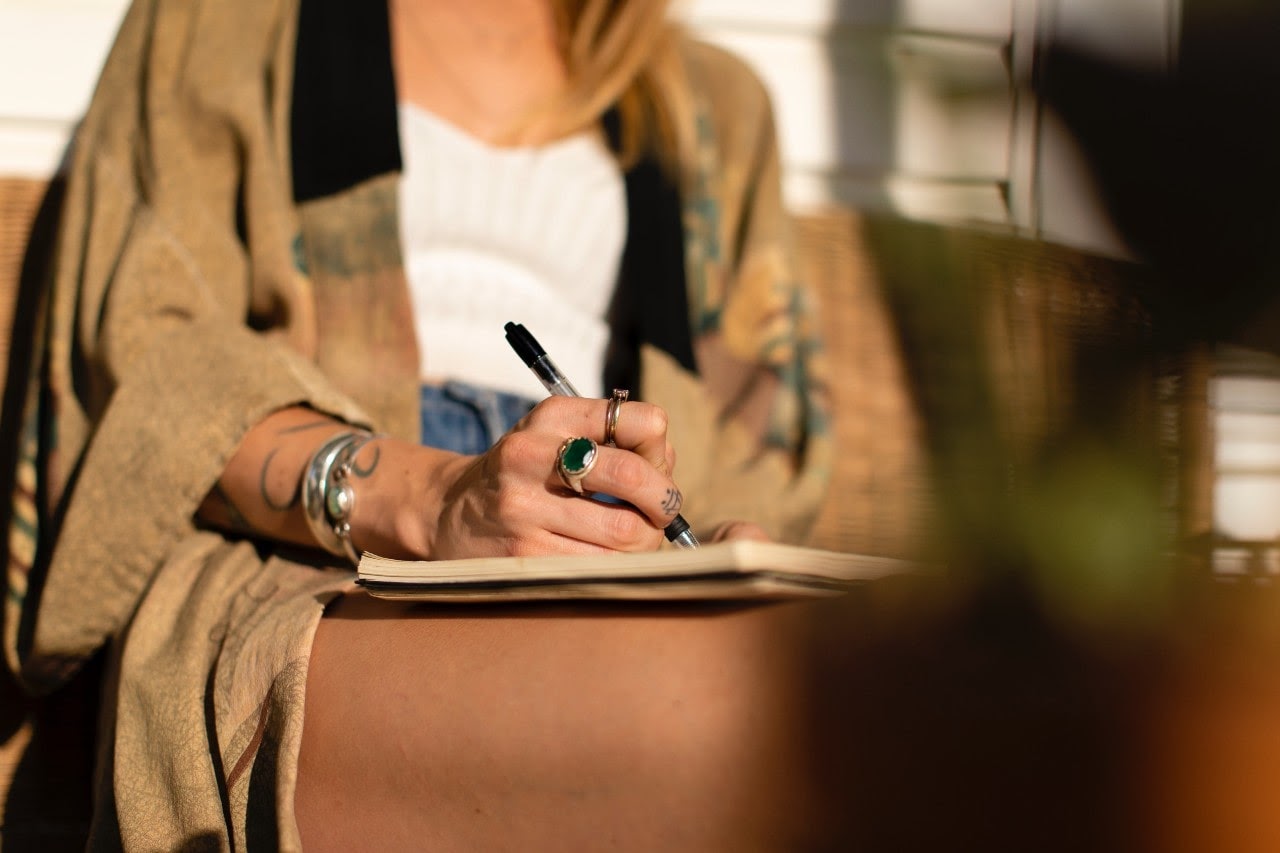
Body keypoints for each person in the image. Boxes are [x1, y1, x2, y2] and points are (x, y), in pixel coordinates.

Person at [4, 0, 831, 848]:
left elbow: (753, 445)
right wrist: (436, 500)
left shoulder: (714, 106)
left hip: (596, 545)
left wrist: (698, 535)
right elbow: (144, 356)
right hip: (300, 546)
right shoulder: (223, 20)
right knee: (693, 718)